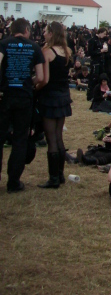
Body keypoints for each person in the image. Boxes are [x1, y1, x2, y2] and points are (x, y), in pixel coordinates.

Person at [0, 18, 44, 192]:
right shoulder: (34, 47)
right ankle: (13, 182)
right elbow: (40, 77)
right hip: (24, 97)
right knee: (20, 139)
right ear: (26, 30)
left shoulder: (4, 44)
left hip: (5, 96)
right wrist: (27, 82)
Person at [35, 22, 73, 188]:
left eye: (45, 31)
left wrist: (34, 87)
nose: (44, 33)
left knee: (51, 139)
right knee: (58, 136)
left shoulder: (47, 52)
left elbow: (45, 79)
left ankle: (53, 179)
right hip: (63, 95)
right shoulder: (67, 51)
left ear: (51, 33)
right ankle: (60, 175)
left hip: (50, 97)